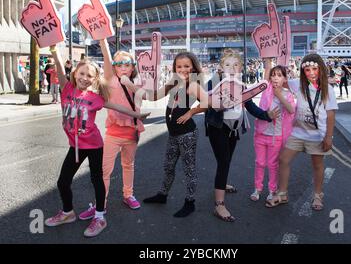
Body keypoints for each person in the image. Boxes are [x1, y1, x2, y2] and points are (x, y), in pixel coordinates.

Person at [44, 45, 149, 238]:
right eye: (81, 73)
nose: (84, 78)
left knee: (97, 180)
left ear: (94, 79)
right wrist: (54, 51)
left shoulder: (95, 98)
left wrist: (137, 114)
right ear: (75, 74)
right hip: (75, 146)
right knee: (62, 182)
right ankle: (68, 212)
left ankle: (100, 216)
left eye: (89, 76)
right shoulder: (67, 89)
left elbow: (116, 105)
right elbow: (59, 67)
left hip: (93, 146)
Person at [79, 39, 149, 221]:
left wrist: (129, 83)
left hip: (132, 132)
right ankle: (100, 203)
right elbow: (107, 59)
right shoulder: (110, 80)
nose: (123, 67)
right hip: (113, 132)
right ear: (115, 68)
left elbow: (144, 97)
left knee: (128, 164)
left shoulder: (138, 82)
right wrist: (103, 42)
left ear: (133, 67)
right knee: (105, 170)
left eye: (127, 64)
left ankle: (128, 195)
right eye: (119, 64)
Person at [205, 50, 279, 222]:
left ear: (241, 69)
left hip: (234, 129)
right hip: (218, 127)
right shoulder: (213, 83)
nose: (232, 68)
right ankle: (219, 205)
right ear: (221, 67)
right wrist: (219, 104)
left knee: (226, 160)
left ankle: (221, 184)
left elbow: (250, 106)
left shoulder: (242, 85)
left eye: (236, 65)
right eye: (228, 65)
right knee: (223, 161)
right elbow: (205, 102)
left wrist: (267, 115)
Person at [266, 54, 338, 211]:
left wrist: (329, 137)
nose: (311, 73)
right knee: (284, 159)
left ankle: (318, 195)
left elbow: (331, 114)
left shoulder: (328, 90)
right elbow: (277, 78)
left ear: (320, 69)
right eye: (307, 70)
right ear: (303, 71)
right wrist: (269, 62)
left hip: (317, 135)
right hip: (298, 133)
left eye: (314, 69)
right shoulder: (297, 84)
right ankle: (283, 193)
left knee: (317, 165)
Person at [140, 52, 205, 217]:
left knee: (188, 169)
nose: (183, 69)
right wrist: (141, 86)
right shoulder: (173, 83)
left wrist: (191, 113)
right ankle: (162, 195)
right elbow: (154, 96)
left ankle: (190, 202)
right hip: (173, 134)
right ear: (174, 68)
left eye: (187, 66)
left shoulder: (193, 85)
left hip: (187, 134)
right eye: (179, 66)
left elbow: (208, 102)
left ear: (193, 67)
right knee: (168, 166)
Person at [250, 58, 295, 202]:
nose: (275, 77)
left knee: (272, 165)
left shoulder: (287, 94)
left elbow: (291, 109)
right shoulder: (267, 89)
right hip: (261, 134)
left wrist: (279, 95)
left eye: (279, 75)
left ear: (285, 79)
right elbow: (267, 72)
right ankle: (257, 188)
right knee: (260, 163)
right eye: (273, 74)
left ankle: (272, 190)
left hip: (277, 136)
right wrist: (268, 60)